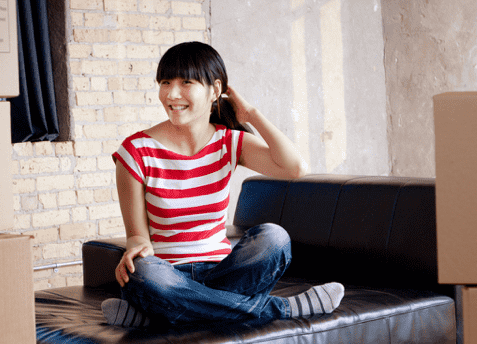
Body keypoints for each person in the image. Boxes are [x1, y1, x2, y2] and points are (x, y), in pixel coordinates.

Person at [103, 41, 344, 327]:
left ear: (215, 90)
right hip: (167, 274)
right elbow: (137, 237)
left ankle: (160, 316)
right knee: (142, 272)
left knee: (275, 238)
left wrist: (250, 114)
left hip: (225, 273)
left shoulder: (228, 142)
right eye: (165, 82)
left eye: (186, 82)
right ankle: (282, 309)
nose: (172, 93)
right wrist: (136, 250)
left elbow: (294, 168)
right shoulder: (136, 150)